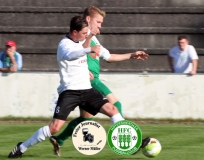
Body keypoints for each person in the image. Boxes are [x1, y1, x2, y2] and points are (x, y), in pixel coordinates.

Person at [8, 16, 127, 159]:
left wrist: (90, 38)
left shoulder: (81, 40)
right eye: (83, 33)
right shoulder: (64, 44)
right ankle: (21, 147)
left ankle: (126, 145)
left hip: (87, 90)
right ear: (75, 32)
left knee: (113, 109)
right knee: (54, 128)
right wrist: (89, 48)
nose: (85, 36)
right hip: (70, 92)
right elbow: (71, 55)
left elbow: (83, 48)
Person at [49, 6, 149, 156]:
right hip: (90, 82)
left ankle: (59, 139)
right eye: (99, 22)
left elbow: (108, 57)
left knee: (84, 119)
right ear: (88, 20)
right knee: (116, 105)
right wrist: (85, 71)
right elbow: (73, 55)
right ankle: (128, 143)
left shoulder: (92, 38)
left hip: (85, 86)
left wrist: (131, 55)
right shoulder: (78, 40)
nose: (100, 25)